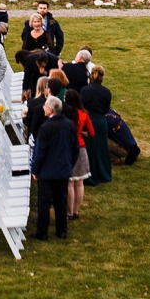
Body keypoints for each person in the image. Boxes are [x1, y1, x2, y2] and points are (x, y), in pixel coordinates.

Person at [30, 95, 75, 240]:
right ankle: (62, 231)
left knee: (44, 202)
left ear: (50, 109)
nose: (43, 108)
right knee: (61, 201)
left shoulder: (46, 128)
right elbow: (75, 148)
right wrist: (70, 164)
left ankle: (42, 232)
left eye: (44, 106)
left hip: (47, 172)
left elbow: (40, 151)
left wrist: (35, 170)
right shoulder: (69, 124)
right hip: (63, 170)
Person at [80, 63, 113, 186]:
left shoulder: (85, 90)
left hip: (88, 121)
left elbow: (81, 106)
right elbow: (106, 109)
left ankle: (89, 174)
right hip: (100, 122)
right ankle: (103, 173)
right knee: (101, 148)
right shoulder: (106, 92)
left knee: (89, 149)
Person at [64, 88, 93, 217]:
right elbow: (92, 133)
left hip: (69, 148)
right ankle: (76, 211)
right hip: (81, 148)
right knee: (79, 182)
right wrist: (81, 133)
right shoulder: (84, 114)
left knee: (70, 182)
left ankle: (69, 211)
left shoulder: (66, 114)